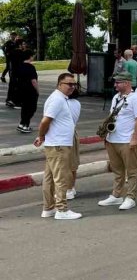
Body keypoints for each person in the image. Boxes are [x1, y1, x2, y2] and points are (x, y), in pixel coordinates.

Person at [35, 73, 82, 220]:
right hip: (59, 145)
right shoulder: (57, 99)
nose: (72, 87)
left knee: (50, 177)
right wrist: (41, 136)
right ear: (59, 84)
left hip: (57, 143)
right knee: (61, 178)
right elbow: (45, 121)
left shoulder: (61, 98)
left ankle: (48, 208)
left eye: (74, 84)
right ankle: (61, 209)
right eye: (69, 84)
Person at [98, 73, 137, 210]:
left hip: (126, 140)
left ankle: (131, 197)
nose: (115, 85)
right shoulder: (116, 97)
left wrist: (135, 138)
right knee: (117, 170)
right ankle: (116, 195)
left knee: (132, 171)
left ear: (126, 83)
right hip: (112, 139)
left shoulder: (136, 98)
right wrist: (106, 134)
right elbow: (112, 116)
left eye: (118, 82)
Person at [16, 50, 39, 133]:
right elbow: (33, 81)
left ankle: (21, 124)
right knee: (32, 108)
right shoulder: (31, 67)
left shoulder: (19, 66)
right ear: (30, 57)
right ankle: (26, 125)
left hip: (21, 90)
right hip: (30, 91)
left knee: (24, 108)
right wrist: (37, 90)